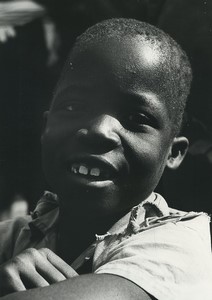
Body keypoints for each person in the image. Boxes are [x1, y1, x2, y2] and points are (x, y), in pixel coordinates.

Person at [0, 18, 211, 300]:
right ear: (45, 128)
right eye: (73, 106)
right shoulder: (14, 235)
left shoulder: (183, 245)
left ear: (173, 152)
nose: (100, 131)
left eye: (137, 119)